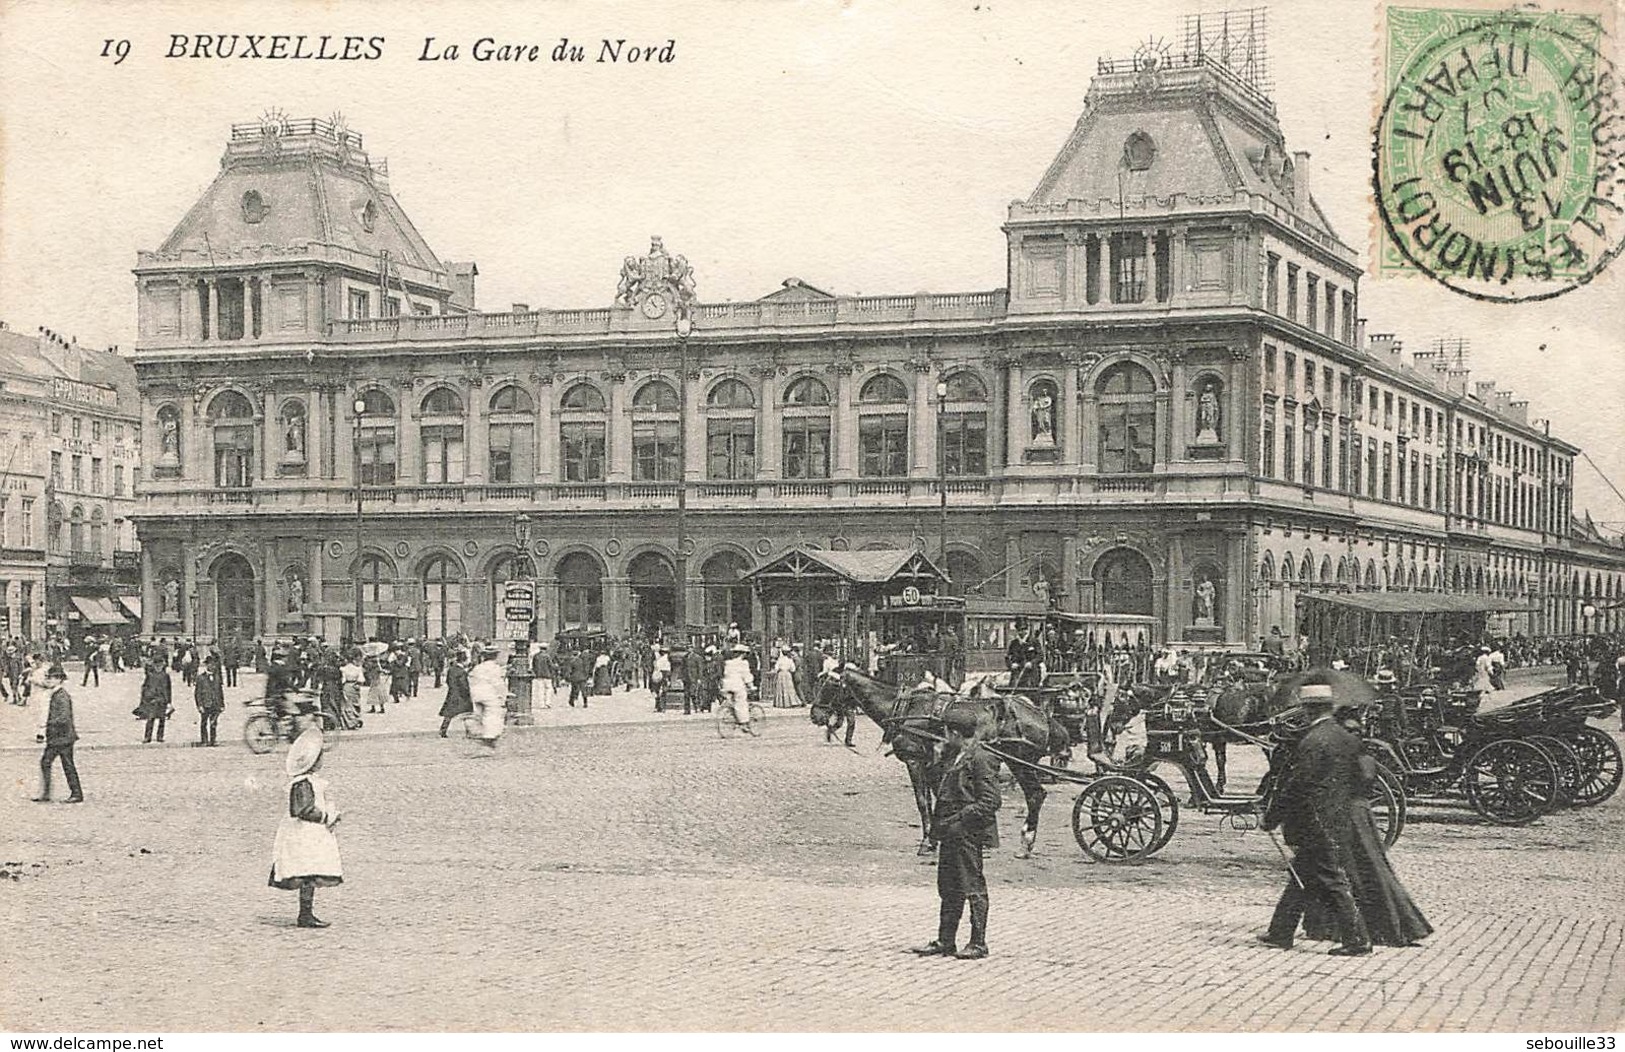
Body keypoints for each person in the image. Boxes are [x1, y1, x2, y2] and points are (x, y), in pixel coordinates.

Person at [1302, 702, 1433, 948]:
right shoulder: (1352, 738)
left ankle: (1360, 932)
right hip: (1359, 812)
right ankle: (1312, 927)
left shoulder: (1329, 738)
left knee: (1353, 869)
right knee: (1363, 868)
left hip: (1344, 813)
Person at [1258, 680, 1372, 956]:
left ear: (1307, 710)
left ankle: (1358, 940)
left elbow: (1297, 786)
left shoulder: (1311, 741)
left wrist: (1272, 817)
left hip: (1315, 822)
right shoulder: (1346, 737)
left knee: (1332, 879)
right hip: (1337, 818)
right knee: (1300, 875)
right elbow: (1362, 780)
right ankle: (1280, 933)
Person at [912, 709, 1001, 959]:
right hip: (950, 833)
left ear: (955, 733)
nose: (944, 737)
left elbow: (991, 801)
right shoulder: (953, 755)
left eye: (946, 732)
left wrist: (961, 819)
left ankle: (978, 943)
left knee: (973, 886)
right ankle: (945, 940)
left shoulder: (980, 758)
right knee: (949, 887)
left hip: (967, 833)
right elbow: (941, 788)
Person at [268, 729, 343, 928]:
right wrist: (326, 816)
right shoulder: (303, 784)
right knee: (308, 870)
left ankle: (306, 912)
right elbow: (301, 810)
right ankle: (305, 914)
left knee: (311, 870)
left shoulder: (309, 782)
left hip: (309, 833)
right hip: (303, 834)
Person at [33, 665, 84, 804]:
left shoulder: (61, 696)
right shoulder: (56, 694)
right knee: (58, 763)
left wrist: (48, 724)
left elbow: (64, 718)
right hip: (59, 737)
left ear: (59, 679)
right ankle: (71, 793)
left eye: (52, 678)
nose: (49, 680)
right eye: (48, 677)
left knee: (54, 763)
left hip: (62, 737)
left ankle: (71, 794)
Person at [469, 644, 508, 748]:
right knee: (493, 713)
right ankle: (489, 737)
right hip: (489, 694)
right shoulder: (495, 668)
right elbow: (497, 683)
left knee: (478, 714)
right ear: (495, 656)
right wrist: (503, 695)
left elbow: (471, 680)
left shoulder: (478, 667)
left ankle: (475, 731)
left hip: (476, 694)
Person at [136, 656, 172, 744]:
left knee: (162, 719)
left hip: (162, 700)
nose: (159, 667)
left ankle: (160, 736)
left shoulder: (166, 676)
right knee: (150, 718)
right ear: (154, 665)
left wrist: (169, 701)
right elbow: (145, 687)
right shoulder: (150, 675)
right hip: (152, 700)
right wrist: (145, 699)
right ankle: (147, 737)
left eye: (160, 665)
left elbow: (169, 689)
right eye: (157, 665)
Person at [721, 643, 756, 732]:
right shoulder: (743, 663)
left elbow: (725, 673)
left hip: (727, 685)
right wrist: (751, 686)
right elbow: (746, 675)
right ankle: (744, 723)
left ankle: (732, 715)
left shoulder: (728, 663)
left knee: (732, 702)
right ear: (743, 654)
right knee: (742, 703)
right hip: (737, 685)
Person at [439, 648, 473, 737]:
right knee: (467, 713)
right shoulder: (462, 672)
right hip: (461, 695)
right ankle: (469, 732)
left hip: (452, 693)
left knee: (449, 714)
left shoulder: (451, 669)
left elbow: (448, 681)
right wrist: (468, 693)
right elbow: (464, 685)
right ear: (464, 661)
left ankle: (443, 730)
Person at [194, 654, 225, 746]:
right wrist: (199, 705)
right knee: (204, 722)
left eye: (214, 664)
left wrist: (222, 704)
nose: (212, 666)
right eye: (210, 664)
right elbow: (197, 693)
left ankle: (213, 740)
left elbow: (220, 691)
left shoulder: (217, 677)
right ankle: (204, 740)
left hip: (215, 703)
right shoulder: (200, 678)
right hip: (205, 703)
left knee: (214, 722)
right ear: (206, 665)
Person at [1006, 618, 1043, 690]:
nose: (1021, 632)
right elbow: (1008, 657)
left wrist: (1031, 663)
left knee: (1031, 693)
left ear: (1027, 630)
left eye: (1024, 629)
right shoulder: (1014, 643)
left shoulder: (1034, 642)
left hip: (1031, 674)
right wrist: (1011, 665)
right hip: (1017, 674)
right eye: (1019, 630)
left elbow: (1040, 656)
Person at [531, 642, 556, 710]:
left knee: (540, 690)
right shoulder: (547, 656)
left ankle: (541, 704)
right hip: (547, 675)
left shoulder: (536, 656)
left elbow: (533, 666)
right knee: (548, 689)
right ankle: (548, 703)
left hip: (539, 675)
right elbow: (550, 665)